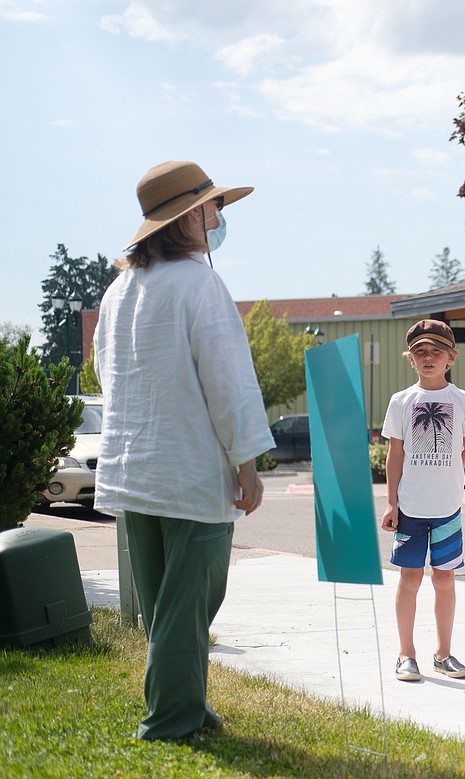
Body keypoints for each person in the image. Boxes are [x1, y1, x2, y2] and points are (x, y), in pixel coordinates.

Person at [93, 160, 275, 740]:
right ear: (189, 217)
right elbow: (230, 382)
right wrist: (247, 466)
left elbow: (106, 374)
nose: (219, 216)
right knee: (188, 604)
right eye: (214, 206)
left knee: (163, 606)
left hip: (133, 471)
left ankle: (189, 706)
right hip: (192, 473)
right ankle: (169, 721)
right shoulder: (200, 283)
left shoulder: (120, 289)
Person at [380, 319, 465, 682]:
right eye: (420, 351)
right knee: (410, 579)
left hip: (447, 507)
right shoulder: (401, 401)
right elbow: (396, 455)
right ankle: (405, 654)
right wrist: (391, 502)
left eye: (436, 351)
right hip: (410, 507)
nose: (428, 357)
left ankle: (443, 654)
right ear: (410, 358)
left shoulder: (463, 400)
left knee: (445, 580)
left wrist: (445, 467)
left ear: (450, 358)